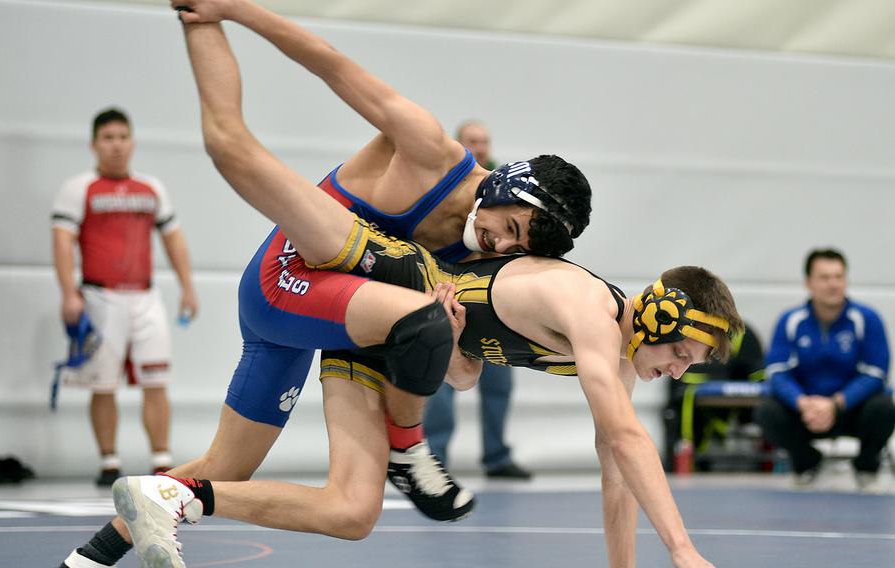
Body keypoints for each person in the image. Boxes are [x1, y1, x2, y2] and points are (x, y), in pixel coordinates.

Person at [104, 11, 740, 568]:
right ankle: (409, 446)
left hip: (364, 318)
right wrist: (230, 11)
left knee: (344, 509)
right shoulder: (432, 153)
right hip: (302, 273)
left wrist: (458, 355)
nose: (503, 248)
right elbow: (331, 63)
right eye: (510, 228)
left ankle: (117, 536)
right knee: (232, 148)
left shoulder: (554, 304)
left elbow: (469, 376)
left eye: (522, 246)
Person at [50, 108, 199, 487]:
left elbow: (173, 238)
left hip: (145, 297)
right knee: (103, 383)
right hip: (101, 298)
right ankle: (109, 461)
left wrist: (188, 286)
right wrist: (69, 293)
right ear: (94, 144)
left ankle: (162, 459)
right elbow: (63, 243)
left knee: (157, 378)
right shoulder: (78, 189)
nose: (116, 145)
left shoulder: (151, 188)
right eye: (108, 138)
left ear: (132, 142)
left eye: (122, 137)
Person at [425, 120, 531, 479]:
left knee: (499, 383)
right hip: (449, 295)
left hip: (493, 302)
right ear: (460, 143)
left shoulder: (507, 190)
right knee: (441, 383)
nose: (481, 147)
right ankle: (435, 457)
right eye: (473, 141)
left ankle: (497, 456)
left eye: (485, 141)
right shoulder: (449, 186)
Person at [755, 248, 895, 490]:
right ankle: (807, 462)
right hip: (805, 410)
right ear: (809, 282)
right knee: (766, 411)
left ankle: (866, 467)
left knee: (883, 407)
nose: (833, 284)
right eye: (825, 277)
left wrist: (836, 403)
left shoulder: (867, 318)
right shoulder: (791, 320)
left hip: (850, 409)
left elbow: (876, 373)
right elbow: (776, 372)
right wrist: (803, 403)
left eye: (839, 277)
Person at [662, 322, 765, 472]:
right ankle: (681, 464)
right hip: (687, 402)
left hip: (728, 405)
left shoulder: (742, 334)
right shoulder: (681, 328)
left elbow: (758, 377)